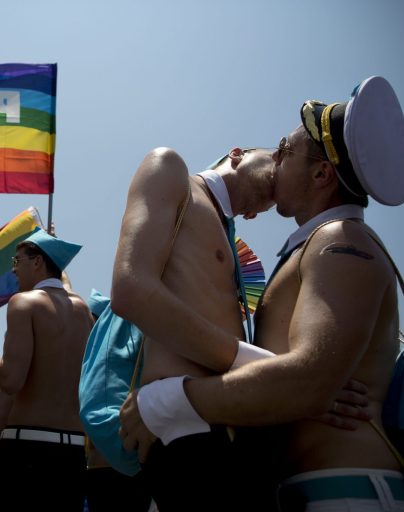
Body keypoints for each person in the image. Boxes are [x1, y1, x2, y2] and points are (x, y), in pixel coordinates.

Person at [120, 76, 404, 510]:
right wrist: (285, 379)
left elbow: (308, 383)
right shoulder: (318, 243)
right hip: (309, 489)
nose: (278, 157)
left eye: (287, 148)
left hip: (347, 491)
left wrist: (164, 401)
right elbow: (302, 382)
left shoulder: (340, 239)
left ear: (321, 173)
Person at [108, 141, 281, 509]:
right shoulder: (169, 167)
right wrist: (270, 369)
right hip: (185, 429)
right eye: (275, 156)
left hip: (232, 426)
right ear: (237, 153)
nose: (280, 167)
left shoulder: (226, 233)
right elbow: (130, 289)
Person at [0, 229, 93, 512]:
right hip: (72, 455)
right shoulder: (83, 312)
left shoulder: (24, 303)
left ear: (37, 262)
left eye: (17, 260)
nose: (13, 269)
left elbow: (11, 380)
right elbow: (63, 289)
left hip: (26, 452)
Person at [84, 289, 152, 512]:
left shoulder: (113, 358)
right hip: (109, 467)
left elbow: (96, 415)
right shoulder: (95, 362)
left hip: (118, 468)